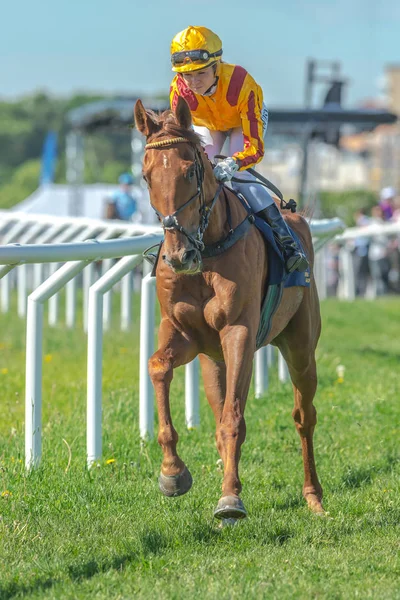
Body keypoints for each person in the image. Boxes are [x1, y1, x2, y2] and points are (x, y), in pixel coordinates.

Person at [169, 26, 308, 273]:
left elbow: (254, 148)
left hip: (241, 123)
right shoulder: (178, 91)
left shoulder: (243, 84)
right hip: (208, 125)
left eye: (200, 73)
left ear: (216, 65)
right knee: (193, 175)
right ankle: (171, 242)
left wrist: (233, 163)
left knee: (241, 178)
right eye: (186, 75)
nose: (193, 82)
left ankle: (288, 244)